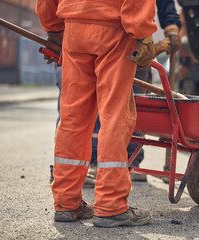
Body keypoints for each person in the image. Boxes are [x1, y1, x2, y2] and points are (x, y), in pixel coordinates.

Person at [37, 0, 157, 227]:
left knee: (73, 117)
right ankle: (111, 206)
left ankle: (66, 202)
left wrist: (53, 28)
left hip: (74, 29)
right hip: (115, 29)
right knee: (114, 116)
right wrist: (142, 32)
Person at [90, 0, 182, 183]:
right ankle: (95, 160)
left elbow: (166, 6)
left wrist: (172, 28)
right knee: (102, 107)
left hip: (133, 43)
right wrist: (146, 40)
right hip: (114, 38)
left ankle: (133, 161)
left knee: (135, 106)